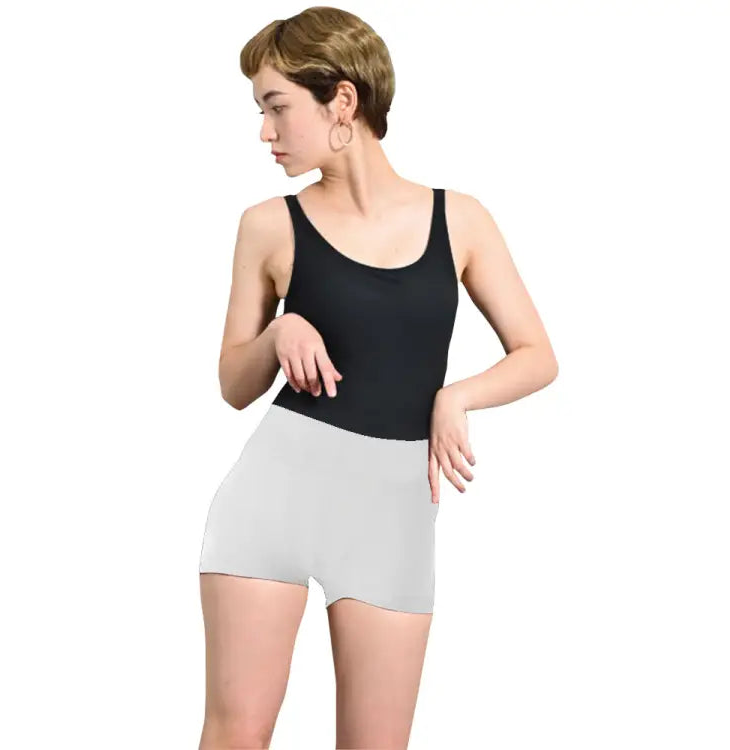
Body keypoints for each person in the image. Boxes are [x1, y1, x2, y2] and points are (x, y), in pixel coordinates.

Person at [197, 7, 558, 749]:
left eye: (276, 107)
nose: (264, 132)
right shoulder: (268, 225)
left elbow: (536, 354)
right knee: (236, 735)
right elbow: (234, 385)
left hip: (392, 518)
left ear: (343, 101)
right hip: (271, 501)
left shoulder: (460, 219)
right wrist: (278, 332)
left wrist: (456, 396)